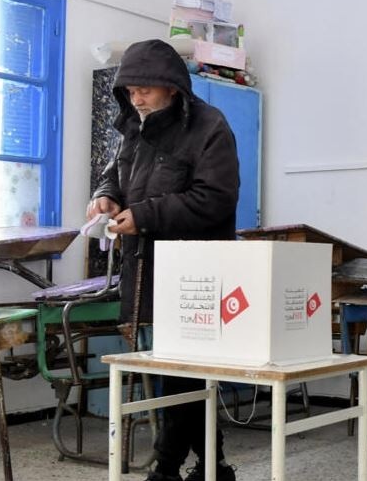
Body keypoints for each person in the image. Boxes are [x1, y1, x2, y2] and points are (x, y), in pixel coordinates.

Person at [87, 39, 240, 481]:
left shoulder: (210, 127)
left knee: (183, 373)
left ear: (172, 87)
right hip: (148, 268)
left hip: (197, 271)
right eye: (130, 90)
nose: (136, 98)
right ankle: (213, 466)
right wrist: (105, 198)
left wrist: (145, 214)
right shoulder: (136, 127)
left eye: (146, 90)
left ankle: (169, 466)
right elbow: (114, 174)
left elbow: (215, 198)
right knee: (176, 372)